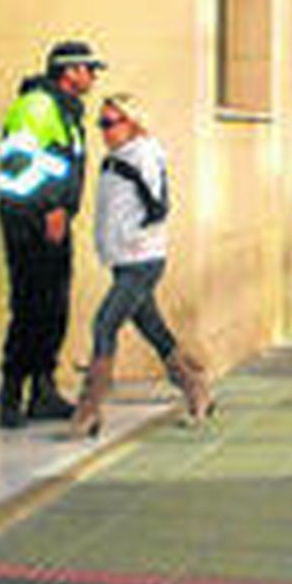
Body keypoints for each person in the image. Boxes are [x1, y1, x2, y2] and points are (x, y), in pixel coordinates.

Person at [69, 95, 212, 436]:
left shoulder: (144, 154)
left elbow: (158, 206)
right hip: (122, 259)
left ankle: (90, 408)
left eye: (110, 123)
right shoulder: (114, 159)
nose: (104, 131)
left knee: (105, 324)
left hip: (142, 260)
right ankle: (196, 388)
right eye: (101, 123)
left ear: (132, 123)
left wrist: (134, 238)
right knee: (152, 327)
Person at [0, 41, 102, 427]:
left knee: (52, 308)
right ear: (69, 71)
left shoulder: (64, 110)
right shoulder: (37, 106)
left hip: (52, 221)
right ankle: (11, 395)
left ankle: (43, 390)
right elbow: (16, 165)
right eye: (89, 69)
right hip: (31, 222)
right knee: (30, 307)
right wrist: (50, 207)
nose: (93, 77)